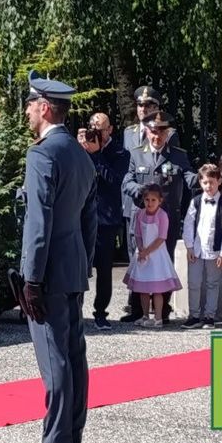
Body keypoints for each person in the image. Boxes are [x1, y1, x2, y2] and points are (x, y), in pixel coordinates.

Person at [14, 72, 97, 443]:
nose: (27, 112)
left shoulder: (43, 154)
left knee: (55, 359)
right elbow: (89, 221)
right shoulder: (81, 155)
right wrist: (83, 262)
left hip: (48, 271)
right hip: (72, 267)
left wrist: (32, 278)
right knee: (74, 357)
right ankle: (73, 442)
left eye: (30, 105)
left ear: (45, 107)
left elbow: (38, 221)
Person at [120, 111, 197, 323]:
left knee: (164, 261)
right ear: (147, 131)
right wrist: (139, 190)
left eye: (162, 132)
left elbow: (189, 176)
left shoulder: (178, 155)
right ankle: (138, 310)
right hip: (142, 219)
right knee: (139, 259)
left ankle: (163, 310)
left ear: (168, 133)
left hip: (166, 218)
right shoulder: (136, 154)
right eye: (154, 132)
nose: (157, 136)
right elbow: (127, 181)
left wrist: (201, 178)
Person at [78, 112, 129, 330]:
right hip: (81, 216)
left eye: (100, 129)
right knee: (78, 266)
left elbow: (115, 180)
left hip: (105, 219)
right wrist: (78, 148)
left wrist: (97, 154)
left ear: (110, 130)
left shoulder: (120, 153)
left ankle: (101, 312)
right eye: (93, 127)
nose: (96, 132)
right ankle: (76, 310)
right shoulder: (82, 149)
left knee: (105, 269)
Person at [123, 184, 182, 328]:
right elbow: (137, 234)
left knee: (157, 289)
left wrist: (147, 251)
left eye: (153, 200)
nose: (150, 203)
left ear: (160, 201)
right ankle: (145, 315)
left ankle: (158, 317)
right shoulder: (140, 214)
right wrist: (141, 248)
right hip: (143, 254)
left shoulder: (162, 215)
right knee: (143, 288)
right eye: (147, 200)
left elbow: (161, 237)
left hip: (157, 255)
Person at [181, 165, 222, 329]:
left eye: (212, 182)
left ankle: (210, 316)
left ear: (219, 181)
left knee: (212, 283)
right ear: (200, 183)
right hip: (196, 249)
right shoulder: (195, 201)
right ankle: (194, 315)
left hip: (214, 250)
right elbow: (188, 224)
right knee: (194, 283)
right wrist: (189, 246)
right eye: (205, 182)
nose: (208, 186)